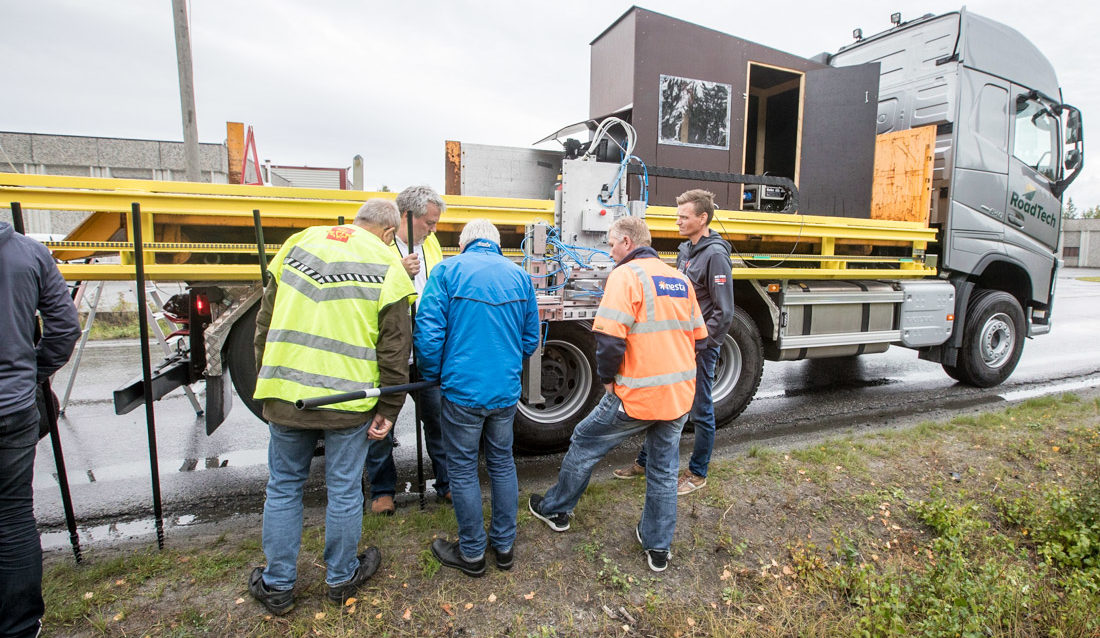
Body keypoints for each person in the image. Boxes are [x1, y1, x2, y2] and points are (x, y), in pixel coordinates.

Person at [248, 199, 414, 614]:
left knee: (284, 486)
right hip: (348, 400)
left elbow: (264, 323)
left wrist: (266, 379)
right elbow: (395, 348)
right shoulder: (387, 263)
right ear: (389, 232)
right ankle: (340, 578)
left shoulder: (297, 243)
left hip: (286, 392)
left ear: (356, 222)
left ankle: (277, 585)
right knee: (342, 489)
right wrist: (390, 407)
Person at [529, 216, 706, 572]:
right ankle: (658, 548)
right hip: (677, 396)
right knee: (663, 468)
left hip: (637, 394)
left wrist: (608, 380)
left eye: (611, 244)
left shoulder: (625, 276)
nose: (609, 251)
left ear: (627, 242)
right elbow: (700, 339)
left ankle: (557, 510)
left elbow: (609, 338)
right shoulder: (678, 278)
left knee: (583, 440)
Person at [414, 219, 539, 577]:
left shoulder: (447, 271)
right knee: (502, 463)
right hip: (503, 392)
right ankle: (504, 547)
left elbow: (428, 334)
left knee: (464, 468)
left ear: (464, 242)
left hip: (462, 391)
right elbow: (531, 340)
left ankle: (471, 553)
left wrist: (433, 375)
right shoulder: (519, 276)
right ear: (497, 243)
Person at [614, 189, 734, 495]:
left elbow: (724, 311)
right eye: (677, 215)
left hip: (699, 348)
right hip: (679, 345)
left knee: (701, 410)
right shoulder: (686, 251)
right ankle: (644, 463)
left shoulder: (716, 254)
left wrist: (702, 346)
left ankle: (697, 472)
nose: (677, 221)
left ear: (702, 218)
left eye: (684, 216)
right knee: (661, 403)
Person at [0, 220, 80, 638]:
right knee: (12, 518)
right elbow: (65, 328)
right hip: (11, 407)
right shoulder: (28, 253)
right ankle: (19, 626)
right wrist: (29, 374)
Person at [365, 185, 448, 515]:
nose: (433, 229)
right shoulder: (377, 244)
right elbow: (364, 289)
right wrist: (397, 271)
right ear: (406, 215)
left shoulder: (431, 243)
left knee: (438, 419)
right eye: (429, 222)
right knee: (382, 421)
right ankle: (383, 490)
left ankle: (447, 484)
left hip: (426, 346)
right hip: (391, 349)